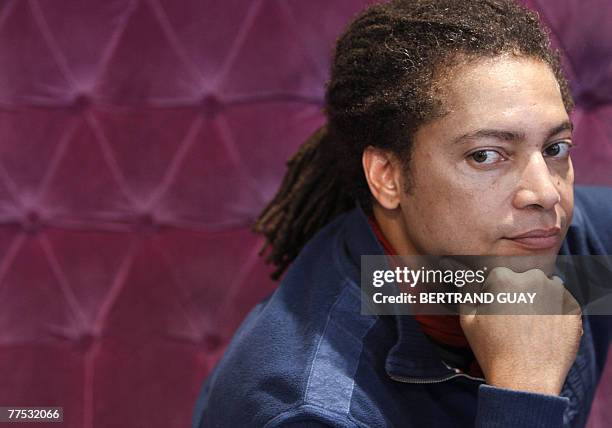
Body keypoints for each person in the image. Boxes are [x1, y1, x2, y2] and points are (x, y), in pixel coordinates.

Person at [192, 0, 612, 426]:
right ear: (387, 178)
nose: (545, 193)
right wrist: (525, 392)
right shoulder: (312, 408)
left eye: (555, 148)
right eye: (485, 155)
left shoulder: (564, 249)